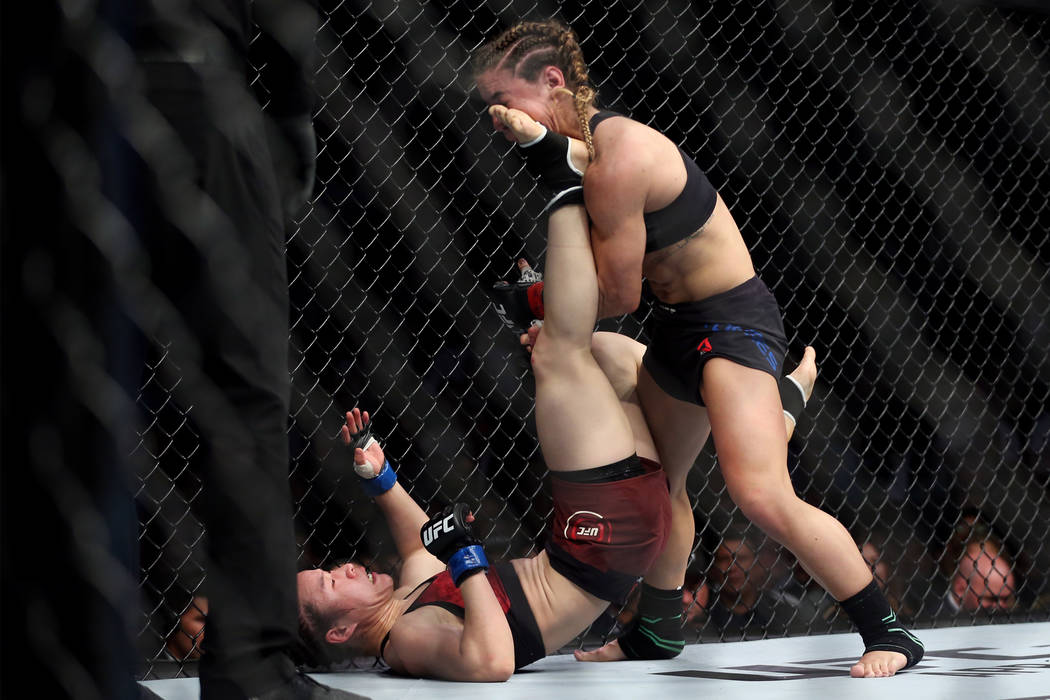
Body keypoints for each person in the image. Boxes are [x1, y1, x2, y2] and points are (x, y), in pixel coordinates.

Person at [472, 19, 923, 677]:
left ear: (552, 81)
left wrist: (540, 303)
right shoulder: (588, 160)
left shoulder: (617, 158)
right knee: (664, 481)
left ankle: (889, 632)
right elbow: (599, 278)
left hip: (731, 324)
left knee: (760, 494)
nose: (500, 118)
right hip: (679, 329)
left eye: (508, 100)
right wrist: (542, 300)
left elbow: (619, 294)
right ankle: (656, 631)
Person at [296, 336, 814, 679]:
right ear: (340, 632)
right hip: (597, 547)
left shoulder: (408, 598)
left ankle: (774, 418)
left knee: (632, 373)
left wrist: (379, 477)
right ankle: (546, 307)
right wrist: (466, 556)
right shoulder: (405, 638)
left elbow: (417, 543)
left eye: (327, 569)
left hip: (603, 548)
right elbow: (492, 661)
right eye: (330, 584)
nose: (342, 568)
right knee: (576, 359)